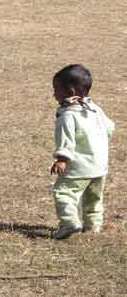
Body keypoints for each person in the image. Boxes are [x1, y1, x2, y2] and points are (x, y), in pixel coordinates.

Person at [50, 64, 114, 240]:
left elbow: (66, 140)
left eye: (56, 90)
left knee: (64, 192)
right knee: (94, 198)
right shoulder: (95, 109)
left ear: (70, 91)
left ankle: (69, 222)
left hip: (79, 167)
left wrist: (62, 159)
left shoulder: (67, 116)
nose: (54, 94)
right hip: (100, 166)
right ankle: (93, 225)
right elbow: (109, 128)